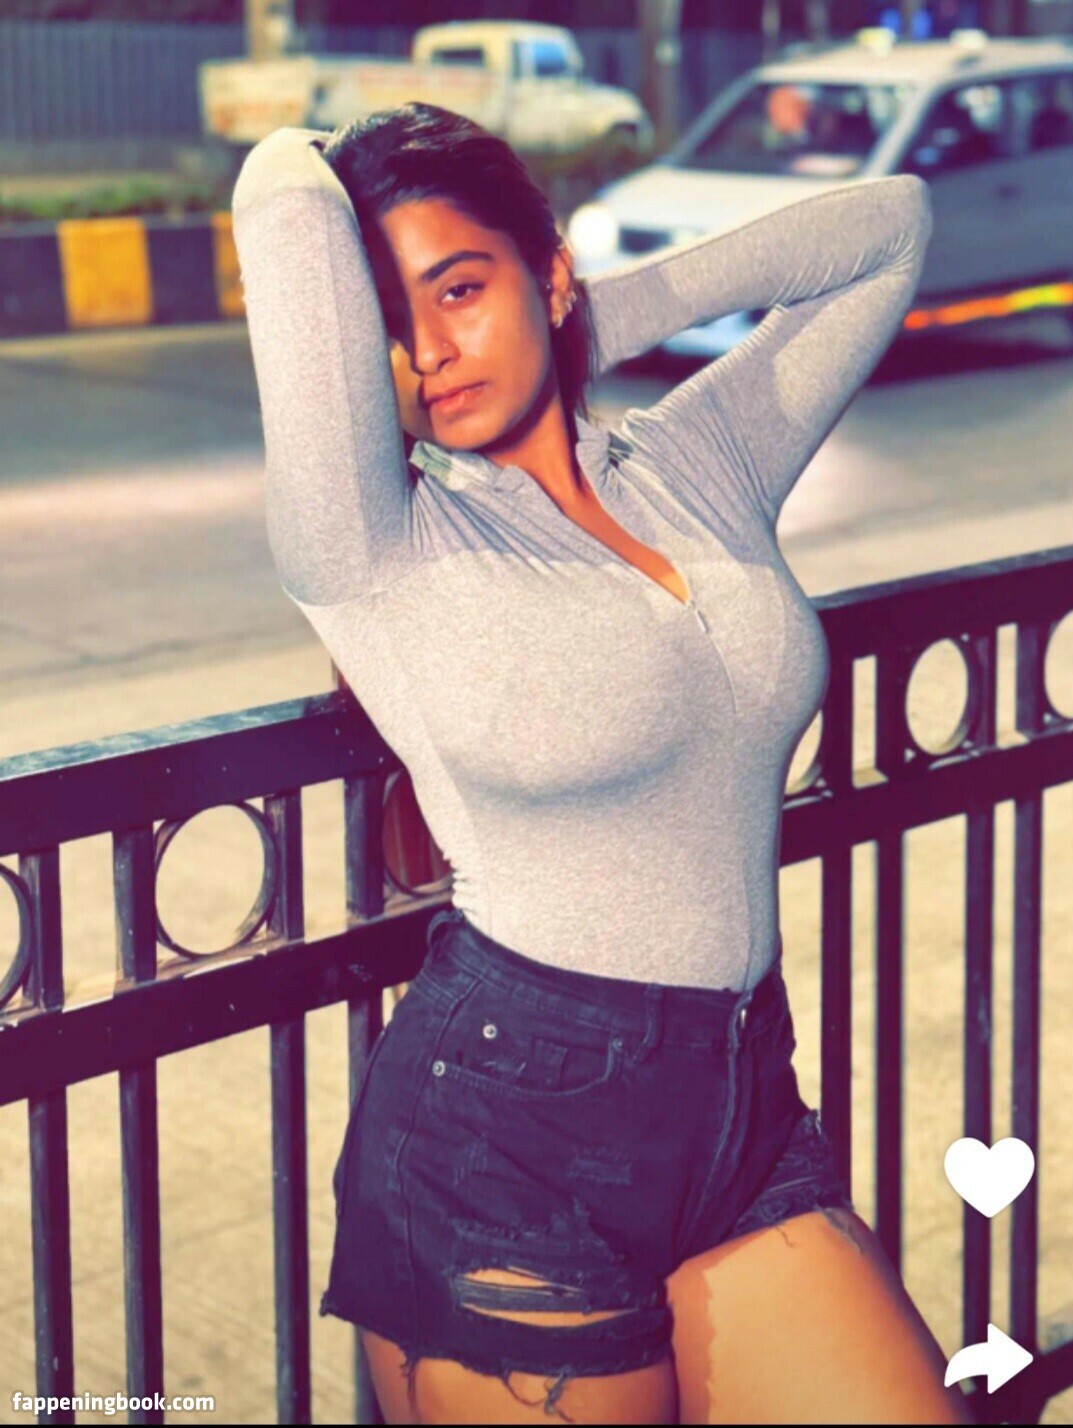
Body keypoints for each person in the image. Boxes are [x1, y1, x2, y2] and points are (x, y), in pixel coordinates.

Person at [232, 105, 971, 1425]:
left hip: (742, 1108)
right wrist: (318, 144)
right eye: (388, 321)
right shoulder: (378, 543)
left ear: (550, 272)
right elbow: (278, 200)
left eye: (462, 290)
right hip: (507, 1141)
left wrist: (584, 320)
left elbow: (888, 227)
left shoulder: (693, 464)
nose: (427, 351)